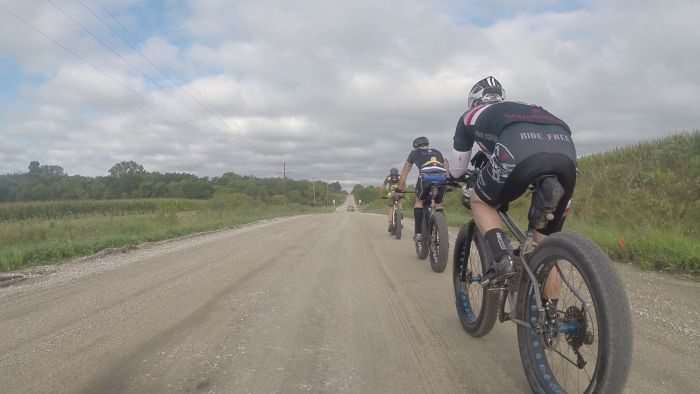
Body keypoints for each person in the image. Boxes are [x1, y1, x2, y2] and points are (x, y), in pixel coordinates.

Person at [449, 76, 576, 290]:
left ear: (473, 101)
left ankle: (502, 259)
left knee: (480, 201)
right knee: (545, 247)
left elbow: (458, 169)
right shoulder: (526, 106)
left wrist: (454, 178)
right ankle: (552, 317)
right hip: (565, 150)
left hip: (518, 146)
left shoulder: (469, 116)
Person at [398, 136, 448, 242]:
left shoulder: (414, 153)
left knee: (419, 202)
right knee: (438, 204)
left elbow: (405, 172)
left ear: (415, 146)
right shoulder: (437, 151)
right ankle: (443, 231)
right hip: (441, 178)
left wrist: (401, 188)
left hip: (426, 178)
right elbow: (445, 165)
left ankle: (418, 233)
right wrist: (447, 181)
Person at [383, 167, 401, 232]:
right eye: (393, 175)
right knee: (391, 206)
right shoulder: (389, 177)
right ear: (391, 174)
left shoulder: (399, 177)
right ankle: (390, 223)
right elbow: (384, 185)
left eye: (395, 175)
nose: (394, 177)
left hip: (398, 192)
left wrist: (403, 191)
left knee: (399, 202)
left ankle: (399, 216)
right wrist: (384, 192)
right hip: (391, 192)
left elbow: (404, 183)